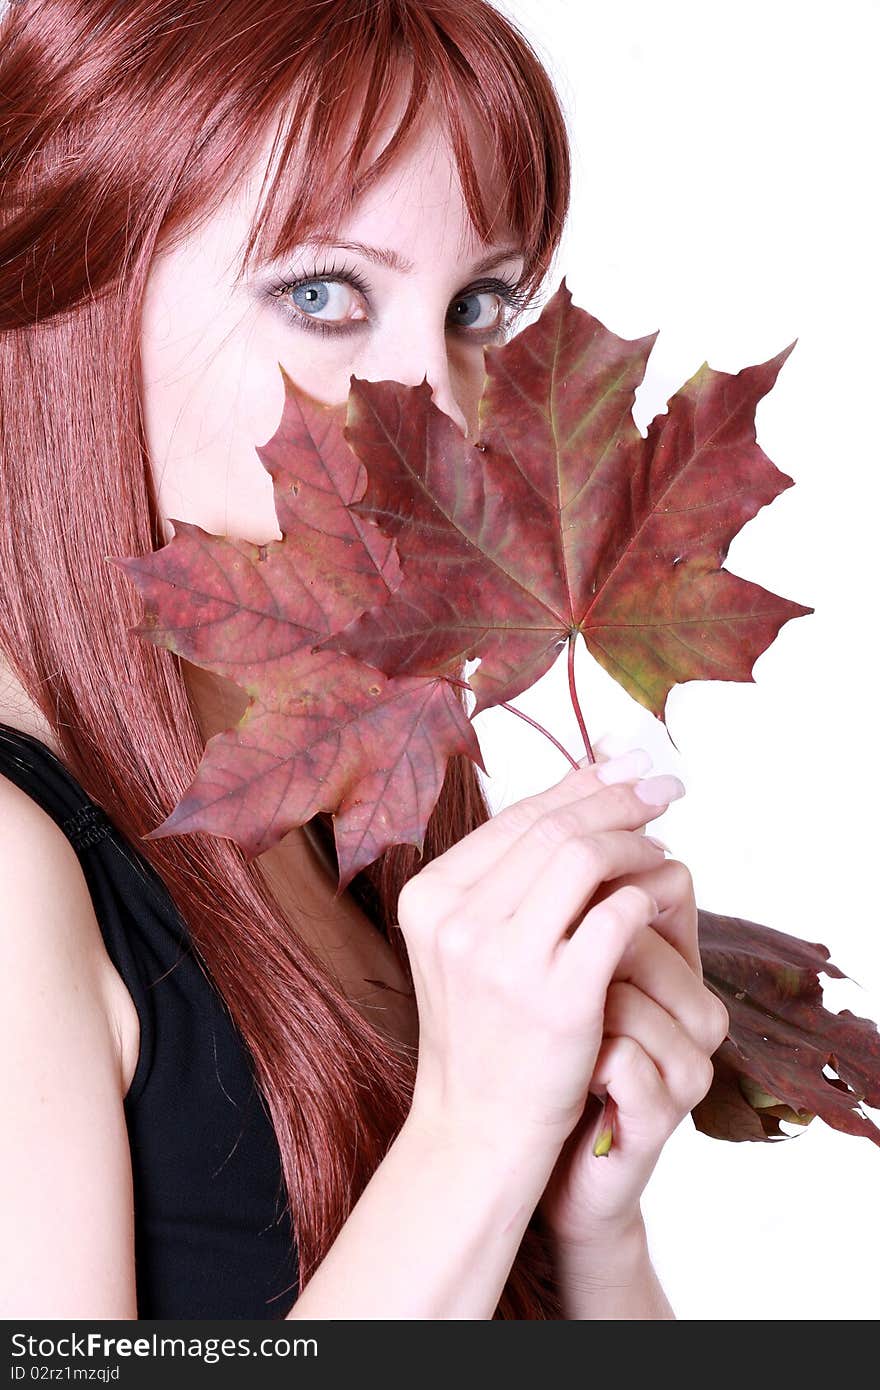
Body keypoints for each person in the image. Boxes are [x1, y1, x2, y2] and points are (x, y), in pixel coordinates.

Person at [0, 0, 729, 1320]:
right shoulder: (11, 871)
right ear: (72, 280)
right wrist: (470, 1136)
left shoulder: (366, 791)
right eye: (324, 294)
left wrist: (591, 1223)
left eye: (476, 305)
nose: (443, 406)